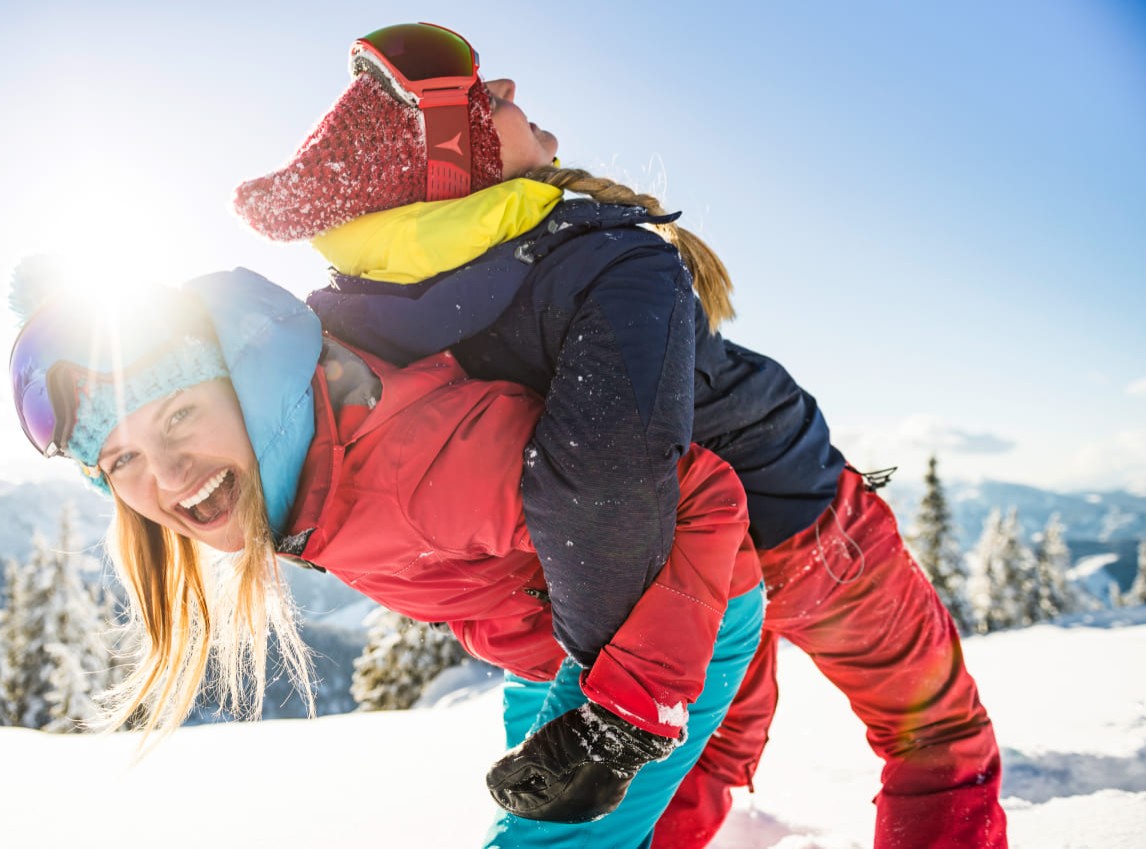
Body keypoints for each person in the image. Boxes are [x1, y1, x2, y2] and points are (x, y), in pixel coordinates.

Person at [231, 22, 1008, 849]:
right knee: (935, 736)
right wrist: (619, 708)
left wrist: (591, 673)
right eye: (484, 98)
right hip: (797, 521)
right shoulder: (599, 260)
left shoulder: (364, 320)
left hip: (670, 587)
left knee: (689, 771)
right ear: (455, 161)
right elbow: (605, 480)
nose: (510, 89)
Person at [7, 266, 765, 847]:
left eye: (179, 414)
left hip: (661, 624)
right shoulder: (301, 464)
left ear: (245, 385)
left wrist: (626, 716)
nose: (170, 478)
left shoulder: (416, 468)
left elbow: (699, 496)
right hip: (552, 644)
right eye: (122, 459)